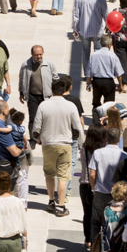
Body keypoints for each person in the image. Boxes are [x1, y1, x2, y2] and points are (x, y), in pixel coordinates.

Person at [32, 75, 85, 218]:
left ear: (51, 90)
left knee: (49, 174)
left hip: (48, 144)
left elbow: (36, 128)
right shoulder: (71, 106)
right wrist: (81, 143)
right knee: (63, 176)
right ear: (65, 90)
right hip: (65, 145)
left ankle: (50, 201)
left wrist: (39, 139)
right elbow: (78, 127)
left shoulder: (44, 105)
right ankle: (61, 206)